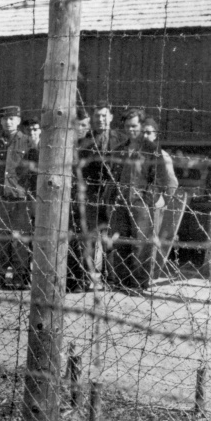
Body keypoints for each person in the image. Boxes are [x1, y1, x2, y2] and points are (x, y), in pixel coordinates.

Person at [107, 116, 178, 291]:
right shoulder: (120, 150)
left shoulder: (154, 151)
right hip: (121, 201)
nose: (131, 130)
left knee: (142, 244)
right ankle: (122, 282)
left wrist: (156, 200)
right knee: (121, 241)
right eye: (127, 126)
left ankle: (139, 283)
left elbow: (166, 180)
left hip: (143, 203)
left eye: (134, 126)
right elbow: (113, 175)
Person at [0, 105, 33, 290]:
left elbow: (33, 170)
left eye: (11, 118)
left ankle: (20, 277)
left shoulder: (27, 142)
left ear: (18, 120)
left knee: (20, 240)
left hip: (19, 197)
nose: (8, 122)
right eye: (5, 119)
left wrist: (27, 191)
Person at [77, 101, 126, 287]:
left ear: (111, 117)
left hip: (113, 195)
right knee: (89, 238)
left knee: (111, 237)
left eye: (104, 115)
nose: (100, 119)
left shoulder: (121, 140)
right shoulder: (84, 141)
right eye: (97, 116)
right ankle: (86, 277)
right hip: (92, 195)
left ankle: (111, 278)